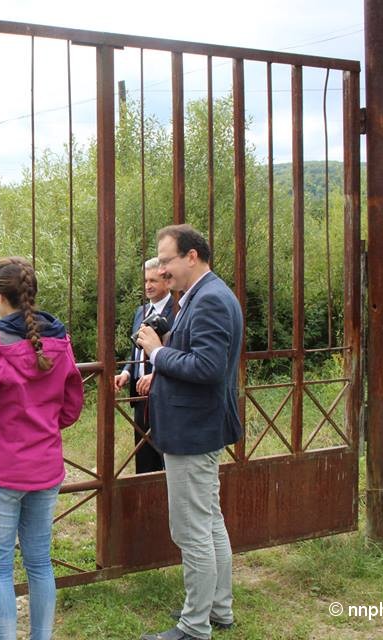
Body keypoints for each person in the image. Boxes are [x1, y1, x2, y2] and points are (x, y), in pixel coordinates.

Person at [0, 256, 85, 640]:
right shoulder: (59, 341)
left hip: (2, 472)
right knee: (40, 563)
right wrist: (44, 430)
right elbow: (72, 405)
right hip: (45, 468)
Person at [134, 224, 243, 640]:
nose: (162, 270)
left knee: (191, 530)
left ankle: (195, 626)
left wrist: (157, 352)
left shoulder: (210, 299)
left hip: (192, 431)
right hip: (199, 427)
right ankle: (218, 609)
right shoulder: (205, 295)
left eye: (167, 260)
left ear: (191, 257)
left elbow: (208, 368)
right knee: (209, 520)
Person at [114, 257, 175, 473]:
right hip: (141, 396)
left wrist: (157, 375)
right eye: (145, 280)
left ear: (167, 282)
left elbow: (180, 352)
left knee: (166, 458)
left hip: (166, 394)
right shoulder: (141, 311)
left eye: (153, 281)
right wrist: (126, 372)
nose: (147, 285)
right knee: (144, 458)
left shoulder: (178, 311)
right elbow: (137, 350)